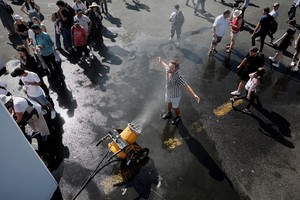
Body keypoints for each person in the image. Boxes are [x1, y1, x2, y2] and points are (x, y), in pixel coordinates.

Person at [156, 57, 200, 125]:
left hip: (175, 96)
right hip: (168, 93)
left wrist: (194, 95)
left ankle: (178, 116)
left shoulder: (179, 78)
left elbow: (186, 86)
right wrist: (160, 61)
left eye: (171, 68)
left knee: (175, 107)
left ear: (176, 69)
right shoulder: (169, 70)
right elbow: (165, 65)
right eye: (169, 66)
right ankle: (169, 113)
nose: (169, 69)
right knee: (168, 103)